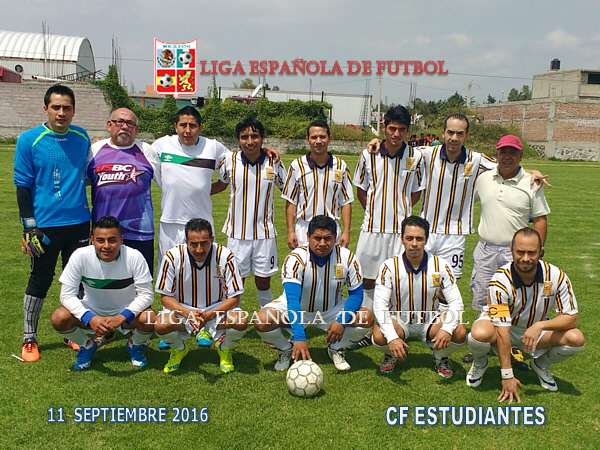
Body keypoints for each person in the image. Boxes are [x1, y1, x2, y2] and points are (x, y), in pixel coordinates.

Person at [14, 84, 91, 362]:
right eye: (56, 107)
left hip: (79, 223)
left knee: (78, 281)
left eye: (66, 108)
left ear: (74, 110)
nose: (61, 112)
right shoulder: (29, 140)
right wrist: (29, 227)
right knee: (41, 279)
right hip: (44, 226)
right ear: (45, 108)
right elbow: (22, 186)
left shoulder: (82, 137)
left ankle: (72, 332)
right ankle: (29, 338)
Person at [466, 228, 584, 401]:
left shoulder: (556, 276)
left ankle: (540, 364)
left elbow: (572, 318)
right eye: (520, 252)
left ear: (541, 251)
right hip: (501, 328)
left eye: (532, 252)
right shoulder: (500, 280)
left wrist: (540, 325)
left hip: (535, 330)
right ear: (511, 250)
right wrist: (507, 375)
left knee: (576, 338)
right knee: (478, 334)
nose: (526, 258)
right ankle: (480, 361)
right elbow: (502, 331)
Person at [254, 215, 373, 371]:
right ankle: (286, 349)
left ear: (335, 237)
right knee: (262, 320)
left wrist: (342, 321)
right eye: (317, 238)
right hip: (298, 310)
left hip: (332, 310)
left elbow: (356, 295)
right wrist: (299, 336)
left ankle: (335, 348)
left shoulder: (347, 257)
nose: (322, 243)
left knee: (367, 318)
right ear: (308, 236)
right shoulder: (295, 259)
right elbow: (293, 300)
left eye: (328, 238)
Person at [50, 216, 156, 370]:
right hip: (93, 311)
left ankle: (135, 345)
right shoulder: (80, 256)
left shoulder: (134, 256)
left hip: (125, 313)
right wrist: (90, 318)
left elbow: (147, 295)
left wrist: (122, 317)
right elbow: (66, 295)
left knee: (151, 318)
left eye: (112, 240)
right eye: (100, 240)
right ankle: (87, 346)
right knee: (59, 317)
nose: (106, 246)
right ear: (92, 240)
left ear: (121, 240)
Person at [372, 216, 467, 377]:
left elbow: (456, 302)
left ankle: (440, 357)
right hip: (400, 319)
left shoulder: (441, 265)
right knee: (379, 336)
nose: (414, 243)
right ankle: (390, 353)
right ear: (402, 239)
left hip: (430, 319)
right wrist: (392, 337)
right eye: (409, 238)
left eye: (419, 238)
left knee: (459, 332)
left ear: (426, 240)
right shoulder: (389, 267)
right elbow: (379, 306)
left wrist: (446, 329)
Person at [353, 105, 425, 312]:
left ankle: (393, 321)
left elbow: (416, 192)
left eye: (402, 129)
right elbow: (361, 190)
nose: (396, 134)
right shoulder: (368, 154)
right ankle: (365, 320)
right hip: (372, 228)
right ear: (384, 128)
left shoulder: (416, 157)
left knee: (399, 278)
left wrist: (401, 209)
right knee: (367, 278)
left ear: (408, 130)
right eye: (392, 128)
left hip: (401, 231)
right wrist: (374, 211)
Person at [154, 218, 248, 374]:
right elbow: (165, 297)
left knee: (241, 320)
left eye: (204, 243)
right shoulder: (172, 257)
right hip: (184, 310)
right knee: (161, 324)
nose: (199, 249)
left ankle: (224, 348)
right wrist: (188, 313)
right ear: (186, 241)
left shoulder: (226, 256)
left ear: (212, 239)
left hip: (216, 309)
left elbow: (235, 297)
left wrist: (210, 314)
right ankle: (179, 349)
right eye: (193, 244)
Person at [470, 135, 550, 312]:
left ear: (521, 156)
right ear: (496, 155)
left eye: (512, 153)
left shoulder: (532, 183)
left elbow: (540, 219)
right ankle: (485, 329)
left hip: (515, 252)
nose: (507, 157)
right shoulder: (483, 179)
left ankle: (511, 329)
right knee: (484, 301)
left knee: (515, 300)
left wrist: (539, 250)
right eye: (503, 152)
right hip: (485, 250)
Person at [212, 118, 287, 308]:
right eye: (244, 137)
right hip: (237, 234)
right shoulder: (230, 161)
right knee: (236, 282)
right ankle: (233, 318)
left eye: (255, 136)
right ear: (238, 140)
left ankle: (267, 319)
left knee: (263, 282)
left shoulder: (274, 162)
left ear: (262, 138)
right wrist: (197, 191)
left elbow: (289, 191)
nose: (250, 141)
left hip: (265, 234)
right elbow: (221, 184)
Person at [88, 107, 159, 273]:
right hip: (104, 234)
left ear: (136, 129)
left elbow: (169, 183)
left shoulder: (147, 151)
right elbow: (76, 181)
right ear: (109, 125)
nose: (125, 126)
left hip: (139, 233)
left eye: (130, 123)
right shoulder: (95, 150)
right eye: (119, 122)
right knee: (102, 281)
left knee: (140, 282)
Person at [282, 120, 353, 249]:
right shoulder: (297, 166)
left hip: (331, 229)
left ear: (330, 138)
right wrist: (290, 231)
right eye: (314, 137)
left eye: (322, 137)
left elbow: (346, 202)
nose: (318, 141)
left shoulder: (341, 166)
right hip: (304, 228)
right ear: (307, 139)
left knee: (332, 262)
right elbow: (291, 201)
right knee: (303, 262)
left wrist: (347, 232)